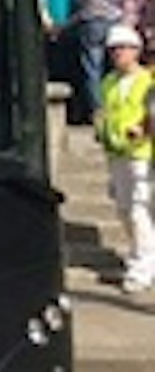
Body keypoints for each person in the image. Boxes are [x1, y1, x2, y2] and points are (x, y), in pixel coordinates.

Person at [97, 24, 155, 294]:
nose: (118, 54)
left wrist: (142, 130)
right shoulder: (108, 82)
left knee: (138, 209)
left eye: (123, 49)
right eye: (114, 50)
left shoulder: (147, 81)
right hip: (116, 152)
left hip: (141, 153)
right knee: (123, 210)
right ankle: (140, 256)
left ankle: (143, 266)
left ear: (136, 51)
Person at [76, 0, 134, 126]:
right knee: (116, 64)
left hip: (92, 19)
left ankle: (98, 109)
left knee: (93, 67)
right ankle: (117, 105)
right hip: (115, 20)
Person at [38, 0, 81, 117]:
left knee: (57, 70)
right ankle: (78, 110)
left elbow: (41, 4)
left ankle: (64, 112)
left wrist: (49, 26)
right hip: (74, 28)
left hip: (52, 30)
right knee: (77, 70)